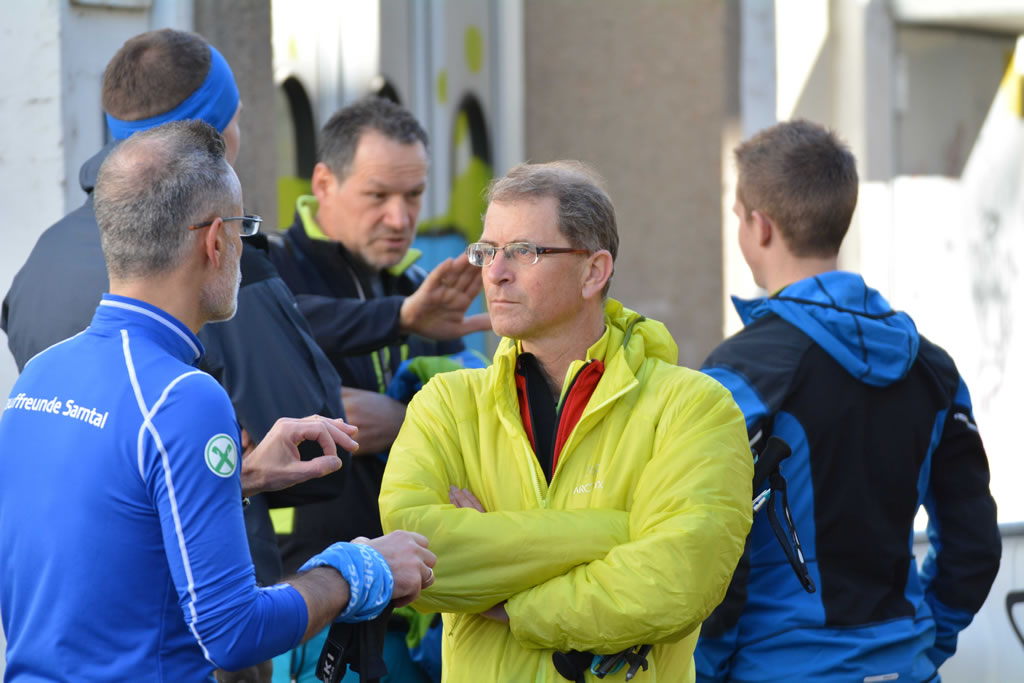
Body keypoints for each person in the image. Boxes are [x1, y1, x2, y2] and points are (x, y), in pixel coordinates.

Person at [0, 120, 437, 681]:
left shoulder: (41, 373)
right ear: (214, 241)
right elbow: (233, 632)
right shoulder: (185, 395)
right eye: (243, 228)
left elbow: (105, 528)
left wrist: (241, 478)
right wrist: (361, 568)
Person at [0, 28, 349, 609]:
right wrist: (354, 576)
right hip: (200, 608)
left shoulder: (41, 261)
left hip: (81, 605)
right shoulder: (221, 277)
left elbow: (106, 474)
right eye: (237, 117)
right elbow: (319, 451)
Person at [377, 160, 754, 681]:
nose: (495, 272)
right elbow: (416, 554)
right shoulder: (445, 405)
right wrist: (615, 534)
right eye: (487, 250)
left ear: (593, 271)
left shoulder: (694, 408)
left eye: (523, 251)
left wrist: (511, 602)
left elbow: (674, 584)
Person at [692, 119, 1002, 682]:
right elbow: (974, 544)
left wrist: (704, 672)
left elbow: (710, 552)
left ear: (760, 227)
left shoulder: (741, 372)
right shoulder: (934, 369)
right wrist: (924, 644)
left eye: (738, 216)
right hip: (905, 668)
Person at [266, 97, 489, 681]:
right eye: (378, 195)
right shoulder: (265, 273)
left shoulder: (416, 284)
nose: (399, 216)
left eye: (414, 195)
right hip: (305, 612)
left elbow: (471, 413)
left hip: (414, 613)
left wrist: (403, 416)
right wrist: (401, 319)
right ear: (324, 183)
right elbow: (285, 329)